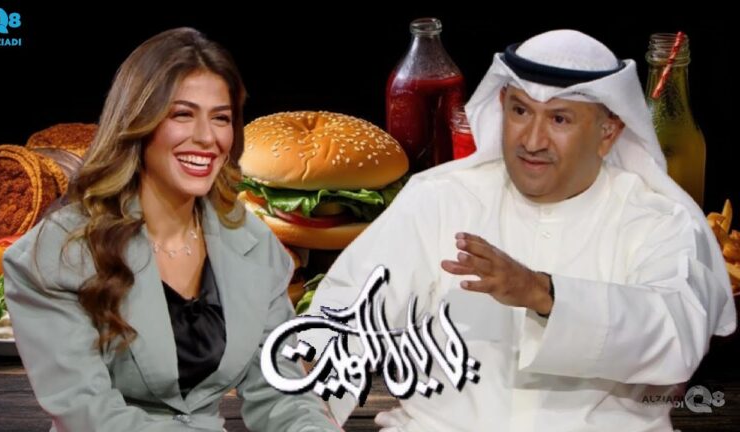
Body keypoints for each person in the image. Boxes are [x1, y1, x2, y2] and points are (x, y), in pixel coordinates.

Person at [300, 29, 736, 431]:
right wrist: (306, 398)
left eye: (559, 120)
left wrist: (542, 293)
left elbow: (676, 334)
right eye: (521, 111)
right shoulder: (438, 199)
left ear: (608, 132)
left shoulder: (658, 221)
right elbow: (341, 320)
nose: (532, 140)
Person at [3, 27, 340, 432]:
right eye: (182, 114)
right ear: (138, 123)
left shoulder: (254, 243)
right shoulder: (56, 253)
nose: (207, 138)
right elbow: (88, 413)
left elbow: (282, 390)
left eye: (221, 118)